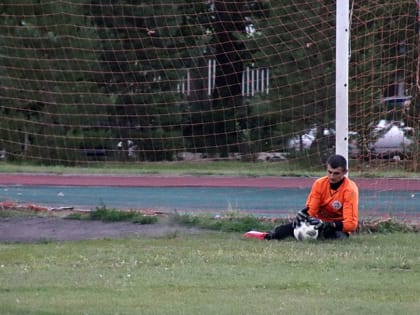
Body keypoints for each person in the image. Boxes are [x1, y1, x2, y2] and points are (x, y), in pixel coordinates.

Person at [244, 154, 359, 240]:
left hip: (335, 226)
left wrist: (329, 224)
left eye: (336, 173)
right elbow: (311, 210)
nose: (331, 176)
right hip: (316, 222)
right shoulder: (319, 184)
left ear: (345, 172)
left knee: (336, 237)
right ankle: (267, 235)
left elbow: (351, 224)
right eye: (329, 172)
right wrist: (304, 215)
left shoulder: (350, 190)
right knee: (291, 228)